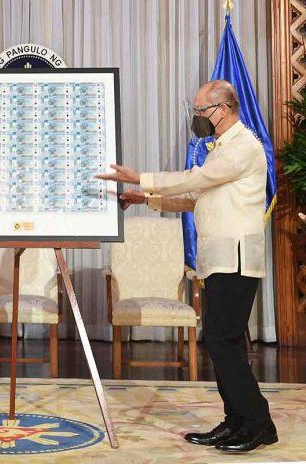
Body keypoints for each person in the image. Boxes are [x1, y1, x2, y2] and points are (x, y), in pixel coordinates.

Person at [97, 80, 277, 453]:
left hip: (237, 257)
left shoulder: (243, 146)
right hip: (219, 259)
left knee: (223, 339)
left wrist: (140, 176)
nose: (196, 118)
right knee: (220, 339)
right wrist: (146, 198)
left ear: (223, 109)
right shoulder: (219, 150)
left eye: (201, 111)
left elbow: (196, 180)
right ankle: (237, 421)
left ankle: (258, 422)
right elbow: (196, 197)